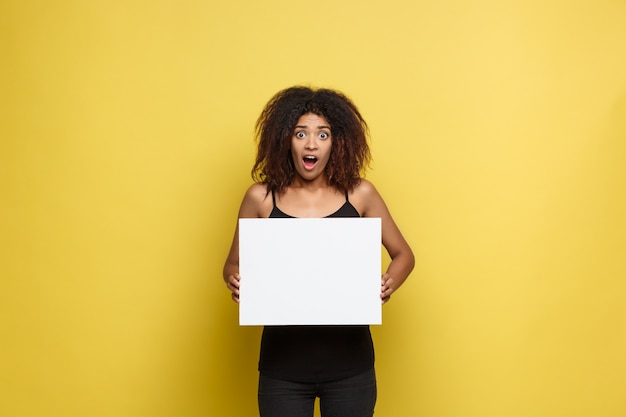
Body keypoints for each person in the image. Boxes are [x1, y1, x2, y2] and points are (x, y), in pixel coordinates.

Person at [223, 86, 414, 417]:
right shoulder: (261, 199)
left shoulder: (360, 195)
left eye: (322, 134)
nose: (311, 143)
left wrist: (387, 283)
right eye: (301, 133)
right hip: (282, 369)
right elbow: (231, 265)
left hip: (350, 368)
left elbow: (404, 255)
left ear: (336, 142)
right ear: (286, 140)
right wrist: (235, 281)